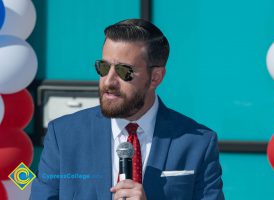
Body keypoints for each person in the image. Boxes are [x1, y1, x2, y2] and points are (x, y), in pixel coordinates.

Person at [30, 18, 224, 200]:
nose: (109, 81)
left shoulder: (198, 143)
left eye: (124, 71)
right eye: (103, 68)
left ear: (155, 77)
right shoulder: (63, 135)